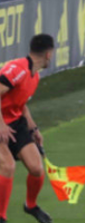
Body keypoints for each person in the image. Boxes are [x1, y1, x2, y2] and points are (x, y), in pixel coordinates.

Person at [0, 34, 55, 223]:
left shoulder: (35, 75)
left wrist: (33, 128)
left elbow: (20, 103)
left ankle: (30, 205)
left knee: (36, 168)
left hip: (15, 123)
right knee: (8, 165)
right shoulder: (17, 70)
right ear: (48, 54)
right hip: (1, 123)